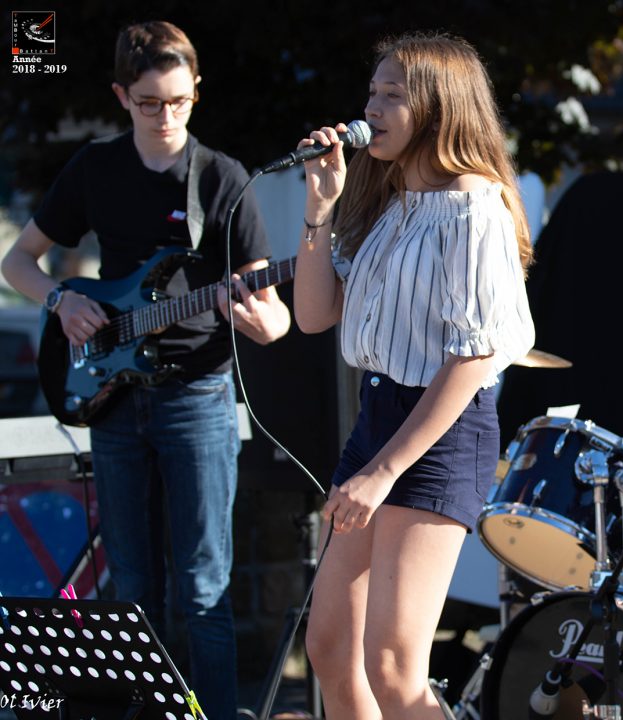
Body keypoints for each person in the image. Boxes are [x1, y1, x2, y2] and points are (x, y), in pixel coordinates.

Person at [1, 21, 291, 718]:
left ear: (197, 92)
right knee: (132, 588)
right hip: (112, 395)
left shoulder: (220, 178)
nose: (166, 117)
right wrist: (62, 300)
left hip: (197, 395)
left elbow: (275, 314)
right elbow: (17, 262)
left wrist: (260, 323)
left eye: (179, 102)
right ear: (120, 97)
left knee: (203, 589)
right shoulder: (95, 168)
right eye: (149, 103)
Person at [292, 33, 535, 718]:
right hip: (377, 419)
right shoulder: (391, 201)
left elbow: (475, 356)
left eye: (392, 95)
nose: (372, 107)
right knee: (329, 647)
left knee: (394, 666)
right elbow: (313, 315)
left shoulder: (475, 207)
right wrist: (319, 210)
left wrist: (384, 472)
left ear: (438, 107)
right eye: (372, 91)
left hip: (438, 433)